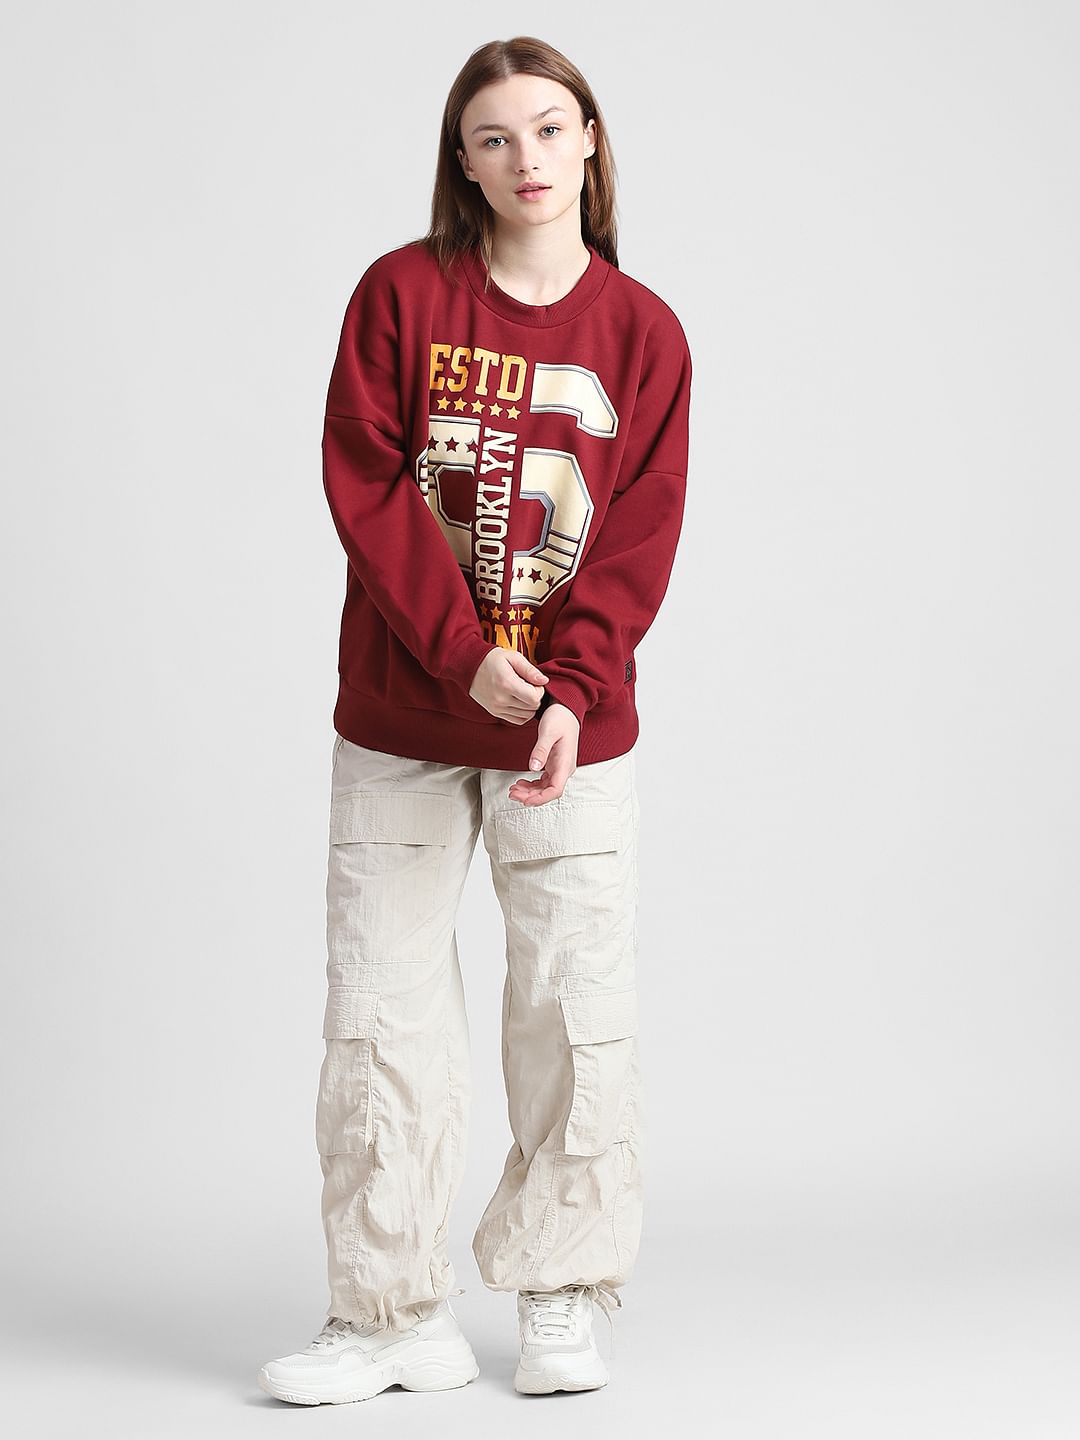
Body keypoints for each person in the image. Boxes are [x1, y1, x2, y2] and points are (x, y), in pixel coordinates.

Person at [257, 33, 692, 1405]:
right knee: (381, 1016)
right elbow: (367, 481)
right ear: (463, 160)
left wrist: (569, 687)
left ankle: (562, 1292)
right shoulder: (403, 294)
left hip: (567, 733)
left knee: (572, 1007)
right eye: (495, 137)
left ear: (591, 140)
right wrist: (464, 658)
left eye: (551, 128)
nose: (527, 158)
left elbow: (640, 531)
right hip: (403, 715)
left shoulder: (644, 333)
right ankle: (387, 1313)